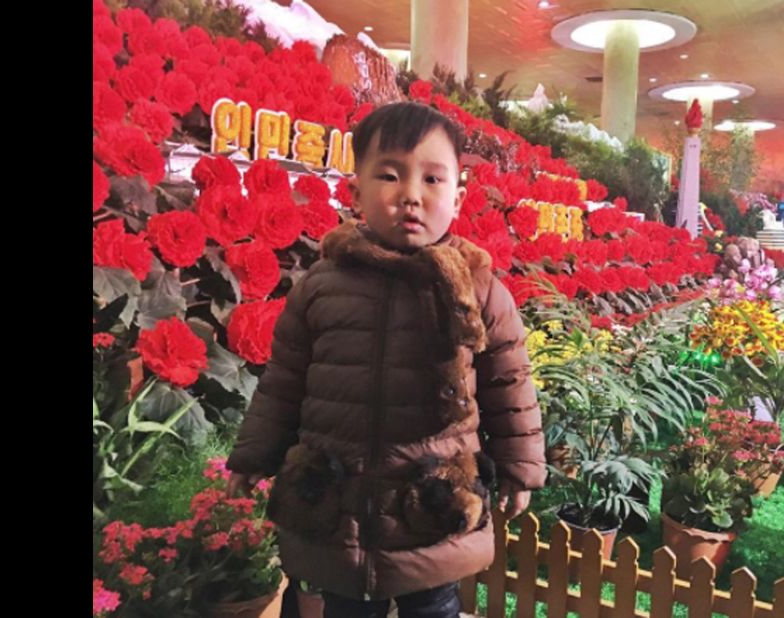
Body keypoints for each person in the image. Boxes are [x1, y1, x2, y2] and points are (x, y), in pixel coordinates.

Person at [225, 102, 546, 617]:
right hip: (339, 498)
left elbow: (509, 384)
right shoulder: (322, 286)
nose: (411, 196)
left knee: (434, 604)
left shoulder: (478, 289)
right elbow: (283, 383)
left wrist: (520, 468)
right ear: (355, 192)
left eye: (433, 179)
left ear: (459, 198)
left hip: (431, 500)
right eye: (390, 175)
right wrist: (253, 456)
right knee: (345, 606)